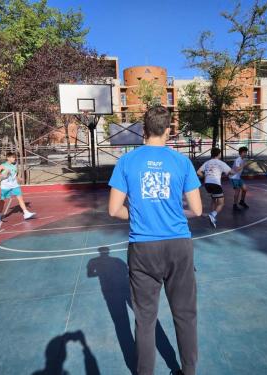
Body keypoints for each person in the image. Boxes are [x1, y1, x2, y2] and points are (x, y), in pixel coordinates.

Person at [108, 106, 202, 375]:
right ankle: (188, 371)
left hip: (143, 247)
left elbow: (114, 210)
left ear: (143, 129)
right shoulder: (181, 162)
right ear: (169, 130)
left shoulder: (127, 161)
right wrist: (175, 212)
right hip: (178, 246)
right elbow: (196, 210)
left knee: (145, 319)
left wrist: (140, 214)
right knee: (185, 314)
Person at [197, 147, 233, 228]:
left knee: (213, 199)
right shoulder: (220, 163)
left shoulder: (207, 162)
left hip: (207, 184)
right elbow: (231, 172)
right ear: (218, 154)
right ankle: (213, 215)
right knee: (221, 203)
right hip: (215, 184)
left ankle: (212, 216)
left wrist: (204, 176)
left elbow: (198, 172)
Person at [0, 152, 35, 222]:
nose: (14, 158)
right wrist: (3, 175)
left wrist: (19, 178)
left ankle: (26, 213)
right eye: (13, 157)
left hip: (15, 185)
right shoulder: (3, 166)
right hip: (5, 186)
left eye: (14, 157)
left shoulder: (15, 165)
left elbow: (14, 175)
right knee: (2, 201)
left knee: (20, 198)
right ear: (8, 158)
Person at [230, 146, 249, 211]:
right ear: (240, 153)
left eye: (246, 152)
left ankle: (242, 201)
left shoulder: (243, 160)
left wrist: (245, 166)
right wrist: (244, 165)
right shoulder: (238, 160)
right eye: (244, 152)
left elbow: (241, 168)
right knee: (237, 190)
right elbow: (237, 169)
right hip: (233, 177)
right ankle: (234, 205)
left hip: (238, 177)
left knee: (245, 189)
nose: (245, 153)